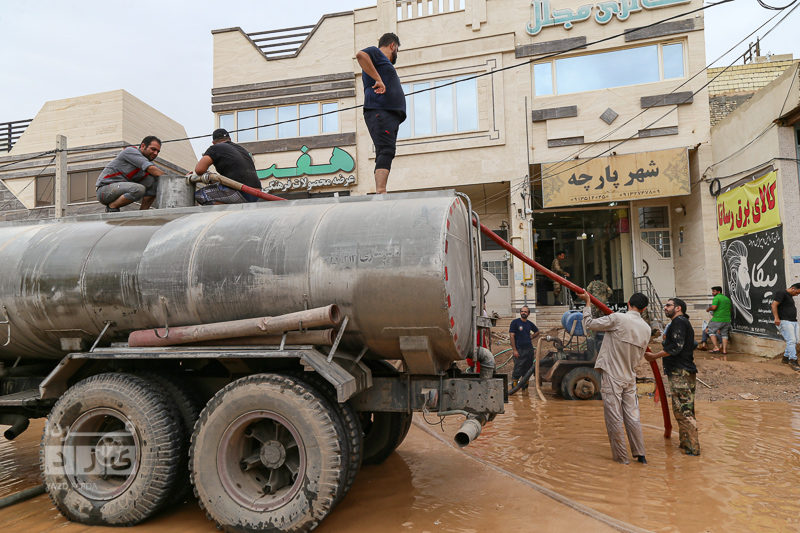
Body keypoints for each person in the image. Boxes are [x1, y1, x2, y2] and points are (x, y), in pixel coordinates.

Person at [579, 291, 651, 465]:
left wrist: (587, 303)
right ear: (643, 309)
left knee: (614, 416)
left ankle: (621, 459)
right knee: (633, 416)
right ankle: (640, 455)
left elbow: (589, 324)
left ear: (628, 303)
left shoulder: (618, 318)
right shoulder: (647, 328)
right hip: (630, 376)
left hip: (613, 374)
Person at [645, 298, 700, 456]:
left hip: (680, 372)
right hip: (684, 371)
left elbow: (676, 347)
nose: (665, 308)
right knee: (684, 409)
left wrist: (654, 356)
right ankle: (686, 444)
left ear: (678, 308)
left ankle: (693, 449)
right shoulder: (682, 323)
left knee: (683, 411)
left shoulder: (679, 322)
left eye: (668, 305)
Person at [356, 33, 406, 194]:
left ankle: (380, 189)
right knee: (386, 150)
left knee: (385, 151)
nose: (396, 53)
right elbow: (361, 55)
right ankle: (381, 190)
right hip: (381, 110)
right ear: (393, 46)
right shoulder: (376, 53)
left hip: (388, 114)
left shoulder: (380, 61)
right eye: (397, 49)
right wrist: (378, 79)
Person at [95, 136, 166, 212]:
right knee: (139, 189)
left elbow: (157, 173)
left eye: (158, 151)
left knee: (154, 182)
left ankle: (142, 212)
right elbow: (151, 168)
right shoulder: (130, 151)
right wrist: (170, 181)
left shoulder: (149, 163)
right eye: (153, 149)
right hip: (104, 191)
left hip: (121, 189)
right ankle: (112, 207)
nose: (155, 153)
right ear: (143, 146)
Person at [194, 129, 262, 205]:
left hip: (240, 191)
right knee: (218, 186)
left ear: (213, 143)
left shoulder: (215, 148)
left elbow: (199, 169)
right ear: (230, 139)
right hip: (257, 193)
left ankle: (229, 210)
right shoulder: (242, 150)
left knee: (200, 195)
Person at [509, 306, 539, 389]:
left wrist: (531, 337)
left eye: (525, 312)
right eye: (522, 311)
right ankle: (514, 390)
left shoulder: (529, 323)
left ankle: (525, 390)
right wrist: (515, 350)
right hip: (519, 350)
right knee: (518, 369)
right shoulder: (515, 322)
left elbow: (537, 331)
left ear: (528, 314)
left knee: (527, 370)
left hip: (529, 350)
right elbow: (512, 336)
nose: (523, 313)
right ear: (520, 312)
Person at [771, 282, 800, 370]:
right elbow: (774, 304)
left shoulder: (789, 296)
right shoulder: (782, 293)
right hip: (785, 321)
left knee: (795, 340)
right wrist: (776, 318)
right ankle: (793, 360)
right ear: (793, 288)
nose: (797, 295)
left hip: (793, 321)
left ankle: (786, 357)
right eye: (797, 292)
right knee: (791, 340)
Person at [704, 286, 731, 357]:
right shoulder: (727, 299)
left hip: (717, 319)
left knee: (710, 331)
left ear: (718, 292)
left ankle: (716, 348)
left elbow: (714, 307)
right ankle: (724, 350)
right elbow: (730, 309)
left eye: (714, 291)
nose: (712, 293)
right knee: (724, 335)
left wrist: (708, 309)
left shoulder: (716, 298)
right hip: (727, 320)